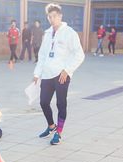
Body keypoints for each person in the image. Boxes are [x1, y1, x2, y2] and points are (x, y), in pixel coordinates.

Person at [32, 3, 85, 146]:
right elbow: (42, 55)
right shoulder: (47, 33)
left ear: (60, 16)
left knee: (61, 103)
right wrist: (37, 74)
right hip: (47, 74)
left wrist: (67, 70)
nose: (52, 19)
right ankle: (51, 127)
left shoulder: (69, 33)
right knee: (43, 102)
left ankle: (59, 133)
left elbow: (79, 55)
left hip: (62, 75)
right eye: (49, 16)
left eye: (54, 16)